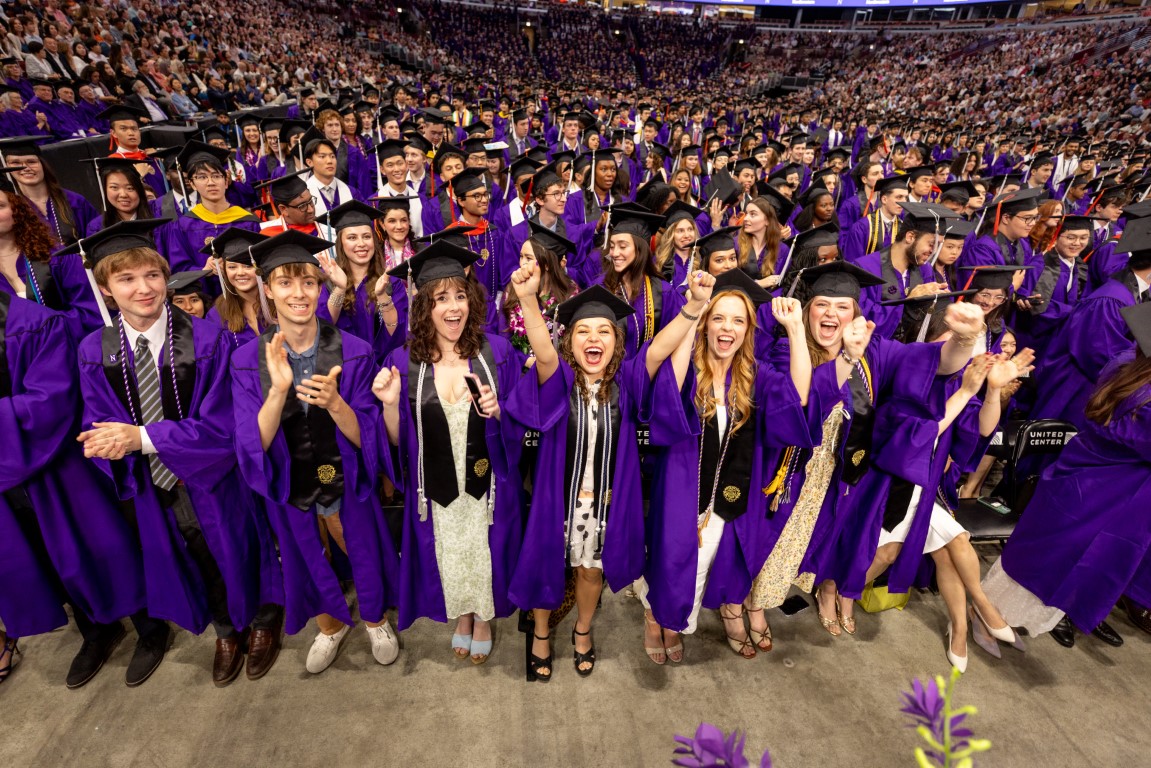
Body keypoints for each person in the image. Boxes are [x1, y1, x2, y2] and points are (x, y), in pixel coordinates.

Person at [72, 219, 285, 687]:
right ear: (106, 289)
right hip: (152, 484)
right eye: (126, 279)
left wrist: (140, 438)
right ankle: (227, 630)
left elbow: (223, 423)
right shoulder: (95, 350)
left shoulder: (207, 339)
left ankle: (266, 619)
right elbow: (101, 417)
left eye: (152, 275)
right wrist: (104, 441)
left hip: (214, 476)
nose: (144, 288)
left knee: (241, 544)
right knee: (194, 557)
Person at [505, 266, 715, 680]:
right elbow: (543, 351)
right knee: (546, 567)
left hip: (604, 506)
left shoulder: (628, 384)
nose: (594, 338)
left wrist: (694, 305)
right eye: (583, 331)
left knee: (590, 571)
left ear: (617, 341)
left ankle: (582, 630)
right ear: (570, 341)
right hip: (557, 504)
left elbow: (657, 351)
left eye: (604, 331)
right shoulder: (558, 381)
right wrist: (528, 299)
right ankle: (542, 632)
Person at [231, 229, 401, 674]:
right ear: (267, 289)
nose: (299, 293)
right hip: (288, 478)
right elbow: (252, 443)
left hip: (346, 473)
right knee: (308, 551)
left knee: (358, 542)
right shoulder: (248, 360)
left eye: (308, 281)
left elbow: (370, 437)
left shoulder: (356, 352)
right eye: (285, 283)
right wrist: (278, 392)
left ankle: (374, 618)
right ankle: (329, 626)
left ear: (320, 286)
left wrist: (335, 403)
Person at [639, 270, 815, 662]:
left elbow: (799, 397)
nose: (727, 328)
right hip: (679, 491)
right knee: (670, 561)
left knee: (700, 566)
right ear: (706, 324)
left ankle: (674, 621)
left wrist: (796, 330)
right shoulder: (691, 368)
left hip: (725, 499)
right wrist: (695, 306)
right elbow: (656, 364)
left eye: (738, 320)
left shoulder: (755, 377)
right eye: (719, 318)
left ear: (748, 330)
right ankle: (657, 618)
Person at [373, 241, 524, 665]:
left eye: (460, 296)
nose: (453, 308)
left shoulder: (496, 352)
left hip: (487, 486)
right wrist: (388, 405)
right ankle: (462, 614)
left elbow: (520, 422)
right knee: (450, 552)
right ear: (423, 305)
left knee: (483, 548)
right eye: (441, 299)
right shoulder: (403, 362)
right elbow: (399, 442)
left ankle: (484, 616)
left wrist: (499, 412)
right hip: (437, 489)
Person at [982, 301, 1151, 650]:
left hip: (1090, 487)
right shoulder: (1141, 392)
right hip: (1095, 491)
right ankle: (984, 617)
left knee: (1043, 563)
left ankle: (1000, 618)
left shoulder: (1126, 362)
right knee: (1040, 564)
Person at [1032, 220, 1151, 430]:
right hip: (1075, 388)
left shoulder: (1131, 292)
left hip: (1091, 386)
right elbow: (1101, 356)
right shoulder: (1110, 300)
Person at [0, 178, 106, 337]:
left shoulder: (58, 257)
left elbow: (91, 313)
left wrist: (43, 330)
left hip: (66, 350)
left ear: (17, 209)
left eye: (0, 206)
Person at [316, 200, 403, 364]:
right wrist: (340, 289)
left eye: (366, 236)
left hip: (383, 366)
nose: (361, 244)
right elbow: (323, 327)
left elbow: (397, 334)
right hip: (340, 366)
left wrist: (383, 296)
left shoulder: (390, 282)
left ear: (374, 241)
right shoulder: (326, 279)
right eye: (352, 237)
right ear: (341, 243)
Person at [161, 141, 261, 277]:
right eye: (202, 177)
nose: (210, 182)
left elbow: (260, 262)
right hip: (204, 296)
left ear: (226, 181)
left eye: (216, 176)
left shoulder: (248, 221)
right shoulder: (182, 226)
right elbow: (178, 269)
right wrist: (203, 270)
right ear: (192, 184)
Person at [600, 206, 685, 359]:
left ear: (640, 250)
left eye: (622, 246)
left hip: (649, 375)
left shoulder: (662, 291)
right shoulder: (602, 287)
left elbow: (676, 338)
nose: (614, 253)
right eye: (612, 246)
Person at [1, 135, 95, 247]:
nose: (25, 167)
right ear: (7, 168)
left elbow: (95, 237)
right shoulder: (9, 208)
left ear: (42, 164)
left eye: (31, 161)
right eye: (15, 163)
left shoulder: (74, 201)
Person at [502, 222, 579, 354]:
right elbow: (504, 339)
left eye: (529, 258)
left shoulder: (569, 295)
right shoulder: (512, 291)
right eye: (521, 257)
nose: (522, 263)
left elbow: (572, 343)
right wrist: (525, 361)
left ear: (547, 264)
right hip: (520, 368)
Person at [203, 227, 271, 348]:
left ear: (259, 268)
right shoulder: (218, 314)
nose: (240, 273)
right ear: (224, 271)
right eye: (232, 267)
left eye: (247, 266)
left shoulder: (278, 303)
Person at [841, 176, 907, 263]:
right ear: (884, 199)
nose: (904, 202)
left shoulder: (904, 228)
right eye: (899, 197)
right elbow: (853, 262)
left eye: (906, 197)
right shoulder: (861, 228)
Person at [86, 157, 152, 233]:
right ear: (104, 190)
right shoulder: (96, 227)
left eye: (130, 188)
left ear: (139, 190)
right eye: (114, 187)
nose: (123, 195)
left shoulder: (157, 212)